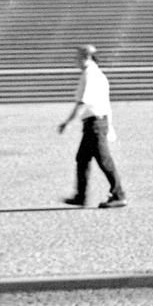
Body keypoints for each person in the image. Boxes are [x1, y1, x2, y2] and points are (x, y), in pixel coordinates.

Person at [58, 44, 127, 207]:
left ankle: (119, 195)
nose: (75, 61)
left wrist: (67, 123)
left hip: (95, 124)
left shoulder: (90, 75)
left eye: (77, 58)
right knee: (82, 159)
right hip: (96, 122)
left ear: (86, 57)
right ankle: (81, 196)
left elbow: (83, 102)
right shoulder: (97, 74)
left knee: (104, 160)